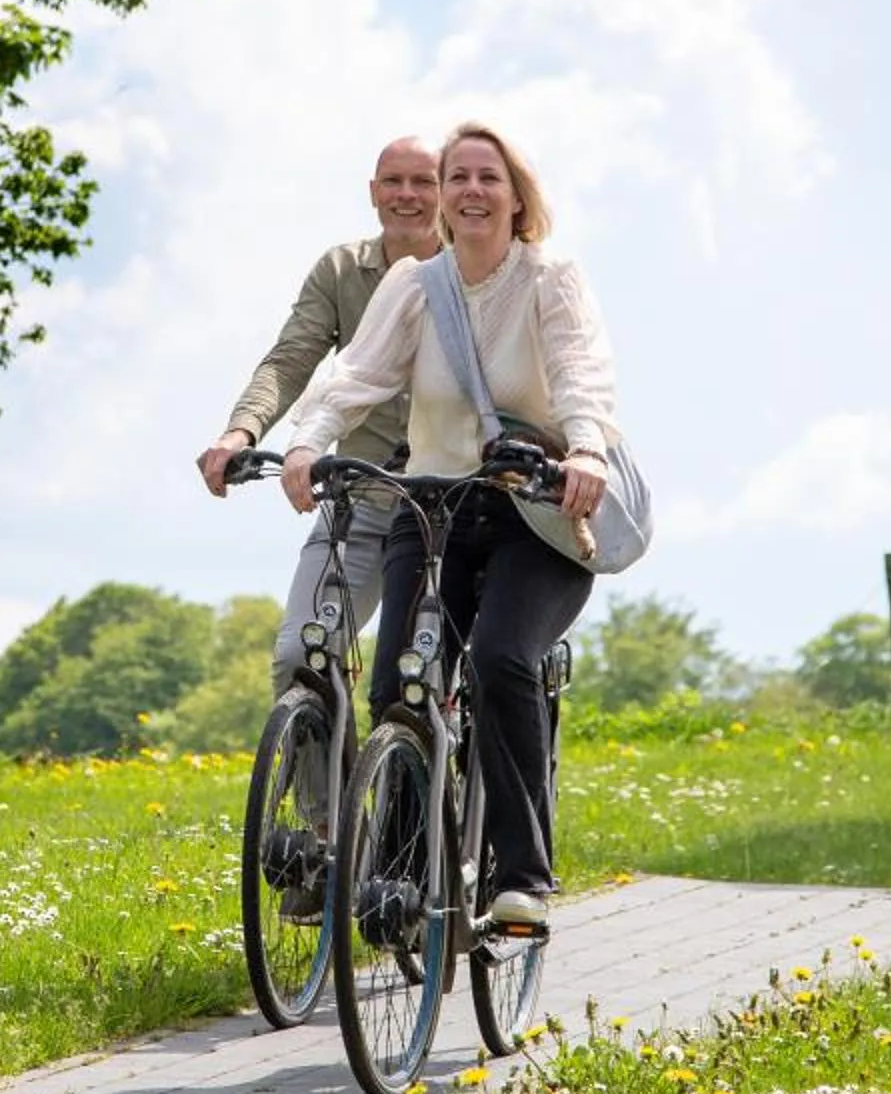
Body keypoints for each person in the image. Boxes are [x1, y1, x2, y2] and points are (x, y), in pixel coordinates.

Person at [276, 124, 616, 931]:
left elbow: (581, 376)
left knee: (499, 660)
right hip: (434, 507)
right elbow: (356, 375)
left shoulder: (549, 279)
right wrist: (306, 443)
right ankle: (399, 882)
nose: (470, 191)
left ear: (517, 196)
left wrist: (587, 450)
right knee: (399, 686)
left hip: (533, 511)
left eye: (487, 178)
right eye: (457, 176)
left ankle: (522, 879)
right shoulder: (415, 285)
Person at [197, 136, 441, 697]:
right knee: (298, 657)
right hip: (362, 497)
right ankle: (320, 756)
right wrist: (240, 431)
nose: (406, 195)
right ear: (373, 192)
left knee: (423, 676)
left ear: (445, 192)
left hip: (449, 504)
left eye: (423, 182)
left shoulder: (469, 270)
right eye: (393, 182)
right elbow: (290, 359)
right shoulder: (341, 270)